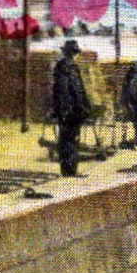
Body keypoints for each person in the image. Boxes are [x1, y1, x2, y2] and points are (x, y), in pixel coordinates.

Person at [50, 39, 91, 176]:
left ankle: (71, 169)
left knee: (72, 138)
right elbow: (62, 90)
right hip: (68, 109)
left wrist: (84, 106)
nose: (74, 55)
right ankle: (68, 170)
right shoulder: (64, 67)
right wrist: (64, 109)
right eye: (73, 52)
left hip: (75, 108)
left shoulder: (73, 66)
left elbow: (80, 89)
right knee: (68, 139)